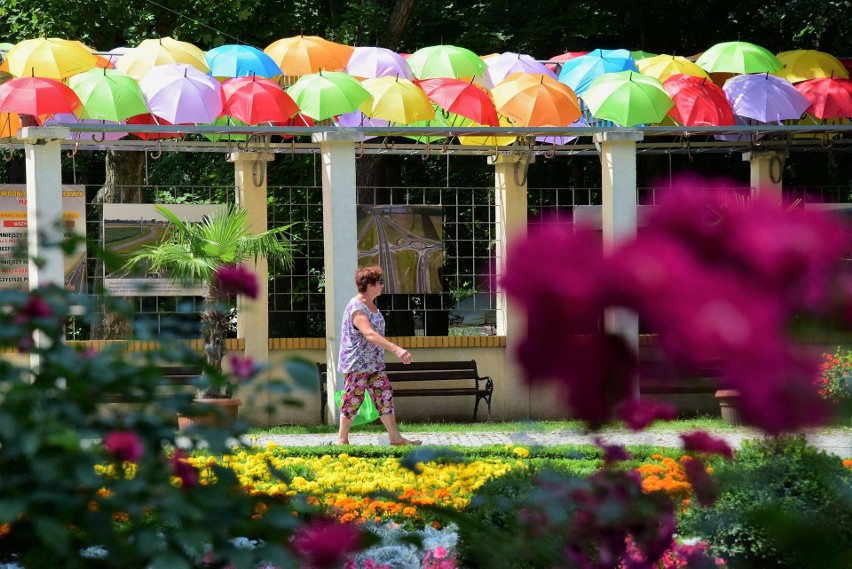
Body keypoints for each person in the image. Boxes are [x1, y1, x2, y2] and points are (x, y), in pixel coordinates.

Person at [336, 265, 422, 446]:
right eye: (380, 282)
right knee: (352, 399)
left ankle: (395, 438)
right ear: (369, 284)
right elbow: (369, 334)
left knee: (384, 397)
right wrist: (397, 349)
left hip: (374, 364)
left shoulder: (371, 306)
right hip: (357, 364)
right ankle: (342, 440)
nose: (382, 285)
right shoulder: (357, 308)